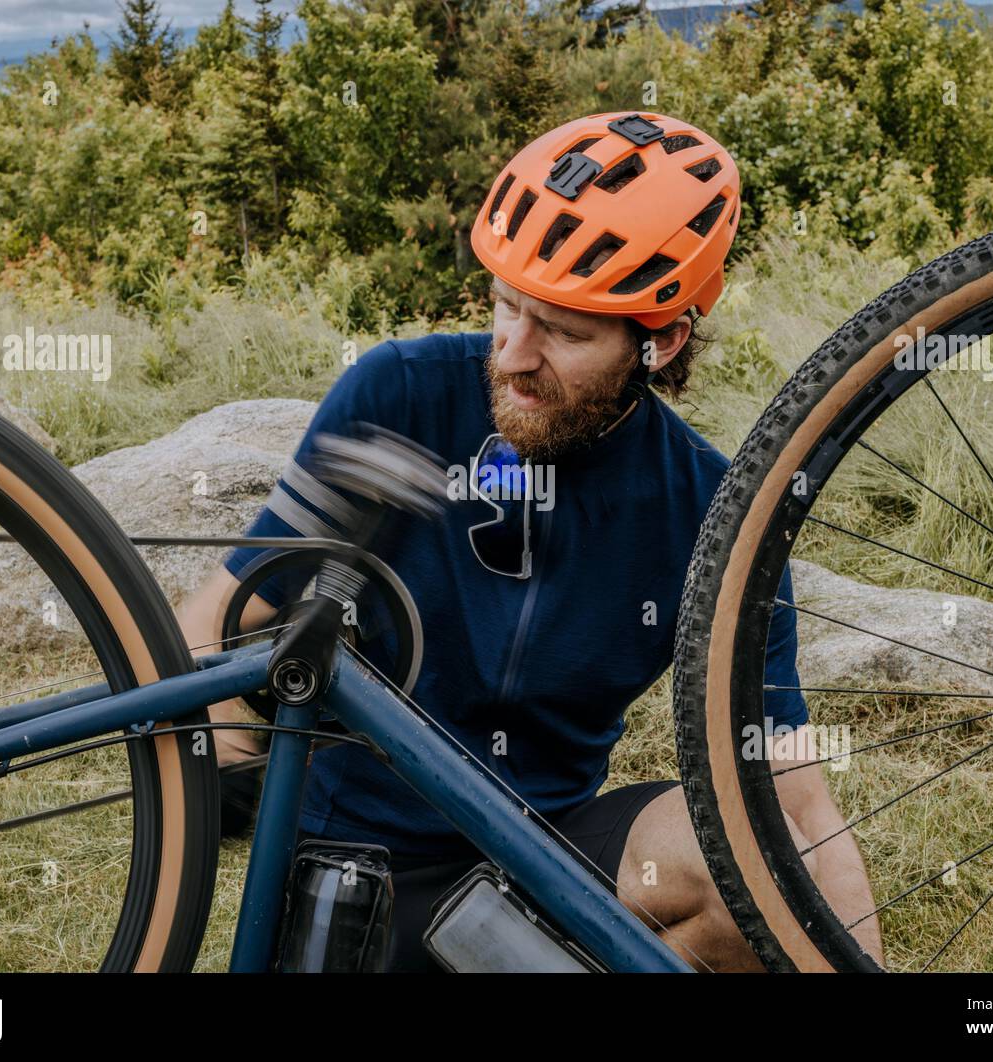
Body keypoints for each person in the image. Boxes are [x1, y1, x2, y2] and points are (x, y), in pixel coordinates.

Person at [176, 111, 882, 971]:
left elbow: (796, 802)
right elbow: (216, 620)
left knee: (759, 864)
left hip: (546, 867)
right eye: (507, 306)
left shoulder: (711, 509)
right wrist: (221, 758)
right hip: (352, 866)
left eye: (565, 330)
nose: (513, 353)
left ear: (660, 341)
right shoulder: (400, 392)